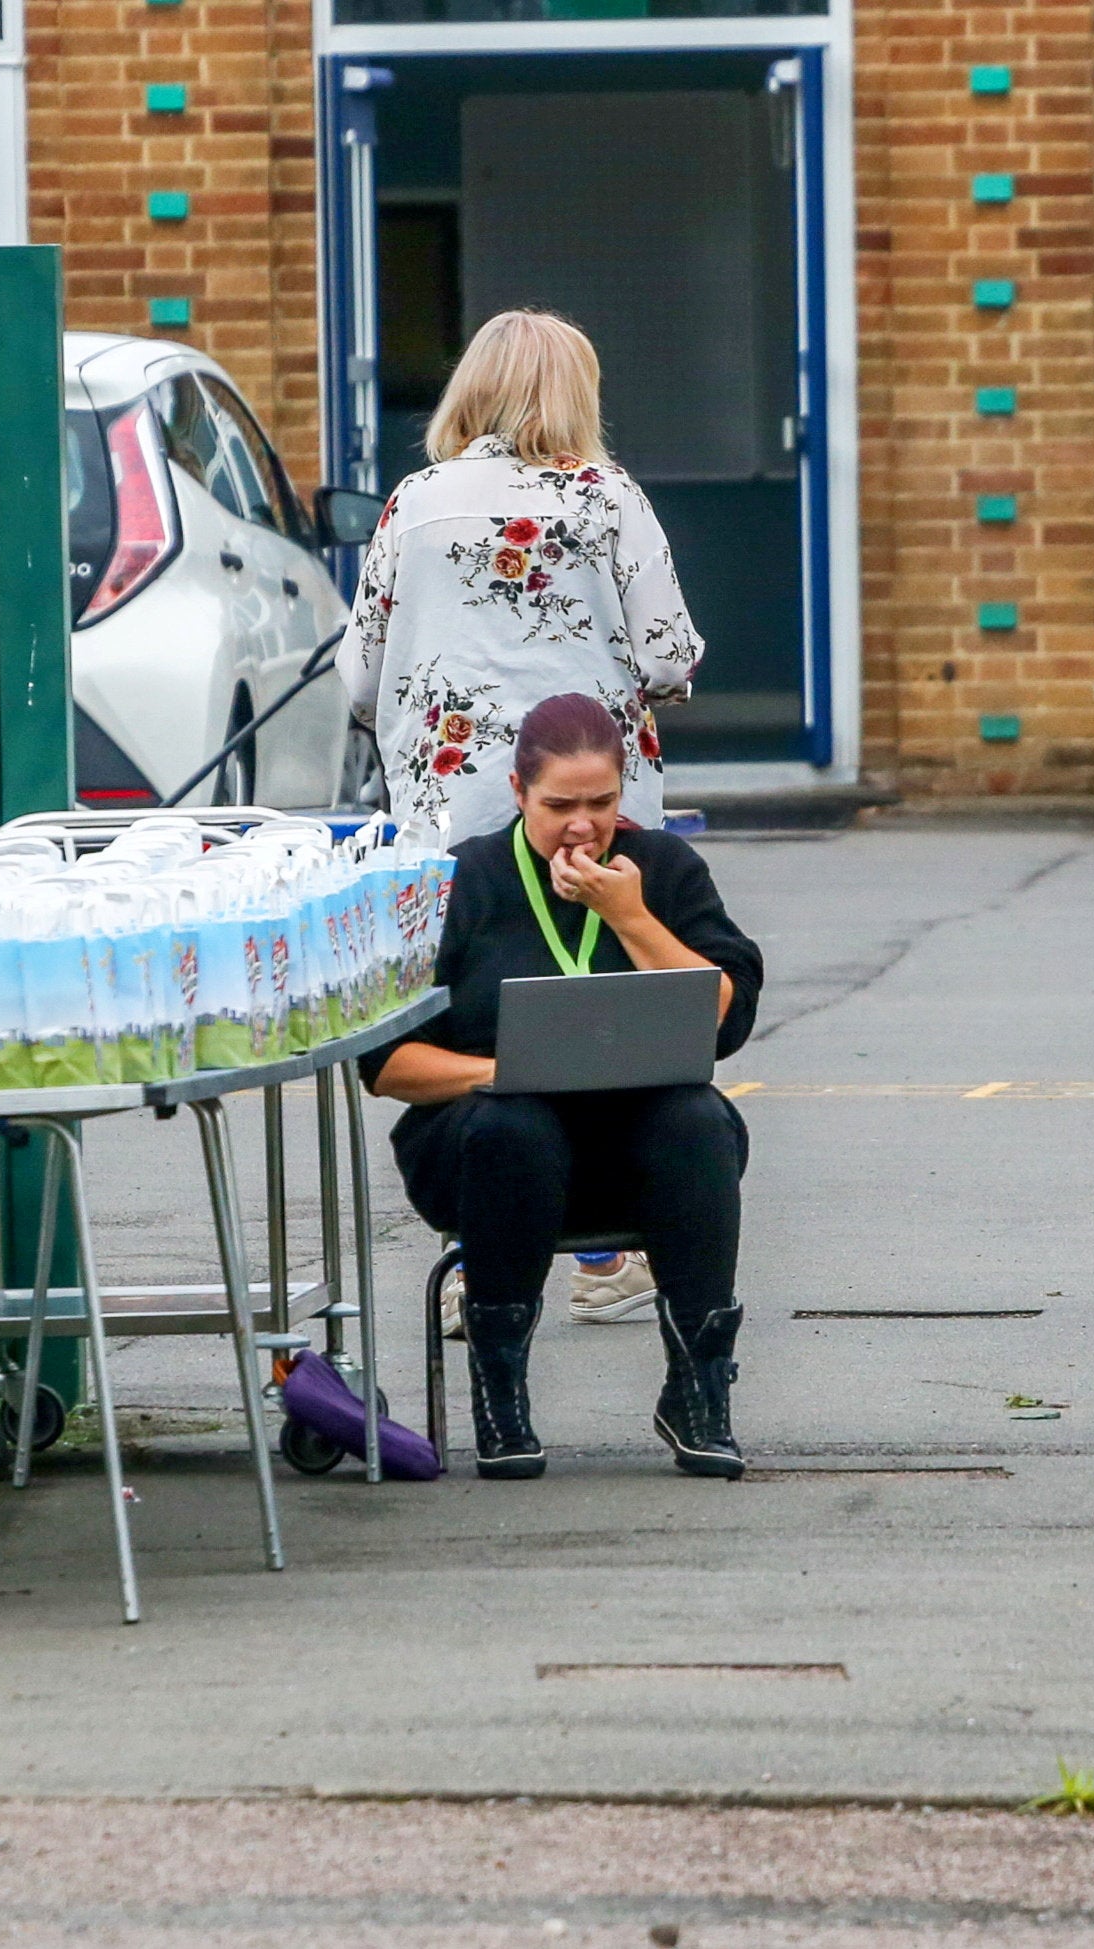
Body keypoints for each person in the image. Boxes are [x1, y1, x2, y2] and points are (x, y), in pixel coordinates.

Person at [346, 307, 705, 1330]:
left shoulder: (411, 505)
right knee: (597, 1011)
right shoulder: (607, 499)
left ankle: (478, 1250)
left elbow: (361, 677)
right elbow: (672, 653)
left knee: (471, 1018)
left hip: (450, 812)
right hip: (588, 806)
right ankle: (601, 1248)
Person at [364, 694, 763, 1481]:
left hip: (634, 1146)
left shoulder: (664, 870)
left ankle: (698, 1389)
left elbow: (723, 1012)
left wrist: (632, 917)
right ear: (517, 793)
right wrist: (504, 1073)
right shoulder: (466, 879)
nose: (582, 826)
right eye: (558, 806)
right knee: (516, 1126)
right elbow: (385, 1064)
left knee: (697, 1117)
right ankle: (500, 1392)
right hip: (490, 1149)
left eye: (602, 803)